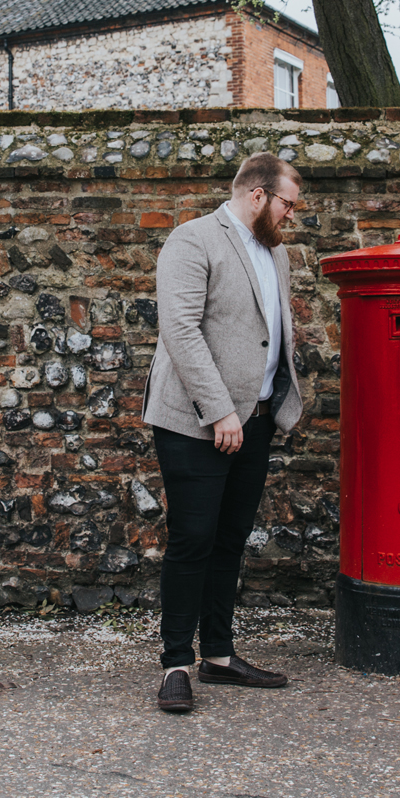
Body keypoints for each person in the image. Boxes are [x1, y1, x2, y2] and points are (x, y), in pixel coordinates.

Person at [141, 153, 305, 713]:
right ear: (258, 195)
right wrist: (219, 411)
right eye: (288, 204)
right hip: (195, 422)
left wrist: (271, 401)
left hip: (254, 418)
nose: (291, 216)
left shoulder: (273, 252)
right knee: (193, 539)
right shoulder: (193, 240)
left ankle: (217, 653)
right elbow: (180, 331)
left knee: (231, 539)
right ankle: (174, 665)